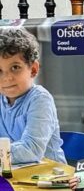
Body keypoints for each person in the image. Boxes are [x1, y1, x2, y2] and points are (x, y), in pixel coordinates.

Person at [0, 28, 65, 165]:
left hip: (51, 178)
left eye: (15, 67)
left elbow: (32, 149)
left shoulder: (40, 99)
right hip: (15, 177)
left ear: (33, 69)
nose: (6, 78)